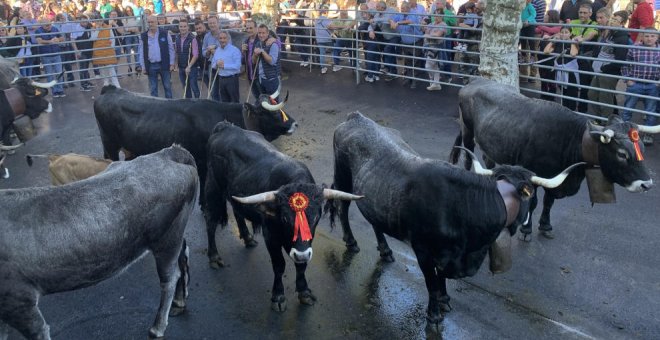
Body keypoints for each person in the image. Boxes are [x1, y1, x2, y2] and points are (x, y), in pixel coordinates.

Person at [587, 9, 629, 118]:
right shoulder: (610, 32)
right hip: (600, 70)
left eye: (616, 20)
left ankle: (606, 122)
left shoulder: (622, 37)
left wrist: (604, 68)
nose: (612, 22)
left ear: (622, 24)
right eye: (612, 19)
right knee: (592, 94)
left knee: (605, 98)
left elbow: (620, 60)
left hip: (608, 73)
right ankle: (600, 118)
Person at [621, 29, 660, 145]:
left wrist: (658, 81)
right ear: (642, 36)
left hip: (652, 85)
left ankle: (648, 134)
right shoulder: (635, 47)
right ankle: (624, 130)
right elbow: (626, 64)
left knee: (650, 111)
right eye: (646, 36)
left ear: (657, 37)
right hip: (635, 83)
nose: (649, 38)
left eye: (652, 36)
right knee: (628, 108)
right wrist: (627, 79)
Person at [138, 14, 175, 98]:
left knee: (167, 87)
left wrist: (172, 63)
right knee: (153, 89)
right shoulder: (143, 36)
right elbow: (141, 52)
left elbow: (171, 49)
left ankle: (170, 105)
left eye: (152, 22)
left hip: (164, 64)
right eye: (149, 22)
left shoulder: (165, 33)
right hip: (151, 65)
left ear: (157, 22)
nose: (150, 24)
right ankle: (155, 107)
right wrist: (143, 66)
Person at [570, 3, 598, 112]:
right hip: (573, 56)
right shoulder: (573, 22)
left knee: (584, 84)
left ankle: (582, 110)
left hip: (586, 58)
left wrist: (583, 39)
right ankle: (571, 107)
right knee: (572, 82)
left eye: (585, 13)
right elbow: (565, 33)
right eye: (580, 12)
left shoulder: (594, 24)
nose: (582, 15)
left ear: (590, 13)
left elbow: (591, 35)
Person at [543, 26, 579, 110]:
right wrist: (553, 41)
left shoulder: (573, 43)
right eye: (562, 32)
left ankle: (572, 111)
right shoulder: (557, 43)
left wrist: (572, 42)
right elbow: (546, 51)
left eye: (566, 32)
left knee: (572, 92)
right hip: (560, 70)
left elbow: (573, 54)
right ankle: (566, 110)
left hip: (570, 72)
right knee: (563, 92)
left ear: (570, 34)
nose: (564, 34)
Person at [390, 1, 423, 88]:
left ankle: (414, 80)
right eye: (401, 8)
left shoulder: (413, 14)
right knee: (408, 61)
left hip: (415, 42)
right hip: (405, 42)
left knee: (415, 62)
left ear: (408, 8)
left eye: (403, 8)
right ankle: (409, 78)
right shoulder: (400, 14)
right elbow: (391, 18)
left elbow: (409, 21)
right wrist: (392, 22)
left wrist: (398, 23)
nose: (401, 10)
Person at [35, 16, 65, 98]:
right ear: (42, 25)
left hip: (56, 54)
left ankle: (60, 89)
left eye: (49, 24)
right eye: (46, 25)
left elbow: (62, 37)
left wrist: (58, 40)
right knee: (49, 74)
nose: (49, 26)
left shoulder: (55, 28)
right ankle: (54, 91)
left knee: (59, 72)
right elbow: (39, 41)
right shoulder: (38, 31)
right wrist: (50, 41)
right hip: (46, 55)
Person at [537, 9, 562, 100]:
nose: (544, 16)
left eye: (546, 15)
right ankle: (543, 93)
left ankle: (551, 95)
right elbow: (536, 30)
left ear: (551, 16)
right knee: (542, 74)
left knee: (551, 75)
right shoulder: (544, 26)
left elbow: (551, 30)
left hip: (551, 55)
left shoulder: (558, 27)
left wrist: (538, 24)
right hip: (541, 53)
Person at [252, 23, 281, 102]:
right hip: (261, 79)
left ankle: (278, 115)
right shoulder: (258, 43)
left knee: (274, 104)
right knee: (265, 103)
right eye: (259, 33)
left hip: (272, 80)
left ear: (268, 33)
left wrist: (262, 52)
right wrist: (255, 54)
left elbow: (272, 61)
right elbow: (253, 61)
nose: (261, 35)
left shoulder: (273, 44)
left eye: (263, 33)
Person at [209, 30, 240, 103]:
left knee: (234, 101)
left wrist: (224, 66)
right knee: (224, 102)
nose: (222, 40)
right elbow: (213, 65)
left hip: (232, 79)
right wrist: (216, 64)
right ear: (218, 39)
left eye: (224, 38)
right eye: (220, 38)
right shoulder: (217, 51)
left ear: (228, 39)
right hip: (221, 79)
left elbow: (238, 66)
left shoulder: (235, 50)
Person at [92, 17, 121, 88]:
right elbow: (93, 38)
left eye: (100, 20)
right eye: (97, 21)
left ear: (102, 21)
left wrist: (111, 47)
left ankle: (116, 84)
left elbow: (112, 38)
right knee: (102, 68)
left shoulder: (108, 28)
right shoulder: (93, 29)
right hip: (99, 52)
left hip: (108, 51)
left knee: (110, 67)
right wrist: (97, 30)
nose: (99, 22)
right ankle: (106, 83)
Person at [175, 18, 199, 98]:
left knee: (194, 87)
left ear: (188, 27)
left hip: (191, 68)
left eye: (184, 26)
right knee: (185, 87)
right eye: (181, 26)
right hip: (181, 67)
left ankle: (197, 103)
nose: (183, 28)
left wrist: (189, 66)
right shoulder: (177, 37)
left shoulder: (193, 38)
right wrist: (176, 65)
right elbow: (177, 52)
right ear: (179, 27)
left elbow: (195, 55)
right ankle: (189, 103)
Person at [423, 9, 446, 91]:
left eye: (438, 15)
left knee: (430, 66)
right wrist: (427, 32)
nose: (436, 17)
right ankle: (435, 83)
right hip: (428, 47)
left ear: (442, 16)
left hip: (437, 48)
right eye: (435, 15)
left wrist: (429, 35)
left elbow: (438, 35)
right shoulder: (432, 23)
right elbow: (425, 31)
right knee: (432, 66)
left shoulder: (443, 24)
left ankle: (434, 82)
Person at [72, 14, 95, 91]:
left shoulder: (89, 26)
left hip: (89, 49)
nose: (85, 23)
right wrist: (76, 51)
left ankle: (87, 81)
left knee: (86, 67)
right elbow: (72, 40)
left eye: (86, 22)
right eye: (83, 22)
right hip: (81, 50)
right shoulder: (76, 28)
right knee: (82, 68)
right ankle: (83, 85)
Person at [519, 0, 536, 82]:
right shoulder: (520, 6)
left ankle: (532, 55)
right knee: (522, 41)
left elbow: (533, 14)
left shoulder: (529, 5)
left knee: (531, 41)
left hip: (530, 25)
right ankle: (523, 56)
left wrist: (528, 20)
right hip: (522, 26)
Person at [314, 6, 333, 74]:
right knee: (334, 50)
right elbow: (331, 27)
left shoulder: (316, 20)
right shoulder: (327, 20)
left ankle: (323, 67)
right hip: (327, 39)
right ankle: (335, 64)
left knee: (322, 53)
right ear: (326, 12)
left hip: (319, 39)